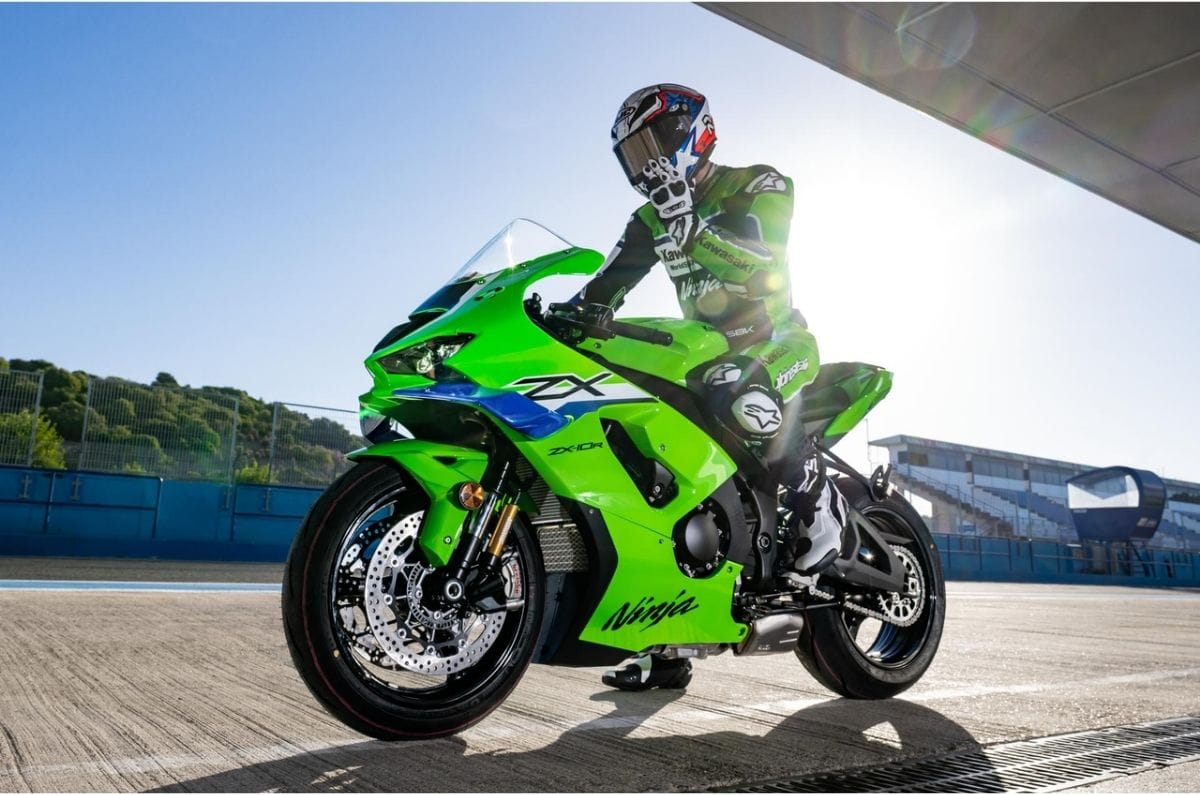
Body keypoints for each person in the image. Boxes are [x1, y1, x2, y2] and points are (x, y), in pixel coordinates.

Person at [576, 83, 850, 692]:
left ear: (691, 132)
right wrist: (564, 317)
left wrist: (693, 229)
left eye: (653, 143)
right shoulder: (650, 219)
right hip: (706, 353)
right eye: (633, 154)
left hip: (776, 341)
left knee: (741, 394)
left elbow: (765, 265)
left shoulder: (759, 184)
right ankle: (665, 639)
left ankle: (820, 502)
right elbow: (606, 284)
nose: (645, 162)